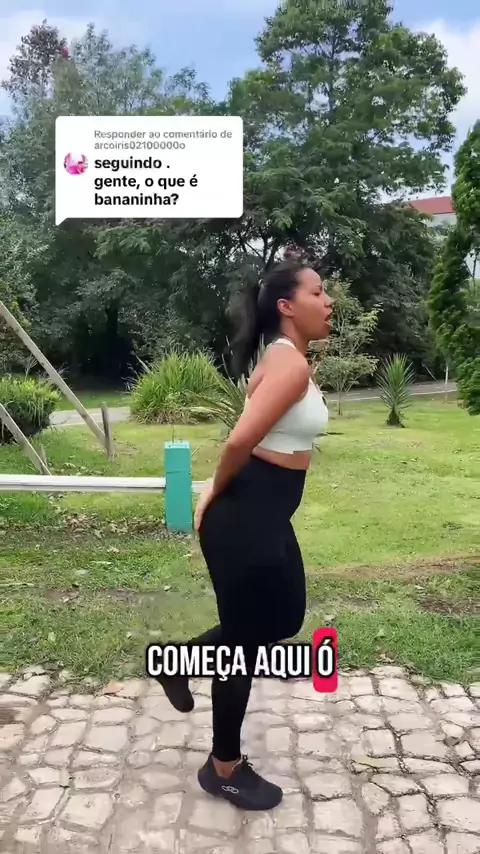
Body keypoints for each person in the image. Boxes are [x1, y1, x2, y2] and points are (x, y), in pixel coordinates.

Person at [155, 260, 332, 811]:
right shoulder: (288, 364)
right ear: (287, 306)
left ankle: (180, 661)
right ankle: (224, 767)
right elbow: (239, 442)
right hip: (245, 517)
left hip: (265, 516)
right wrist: (213, 491)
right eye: (318, 292)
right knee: (243, 641)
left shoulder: (286, 359)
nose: (329, 301)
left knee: (285, 616)